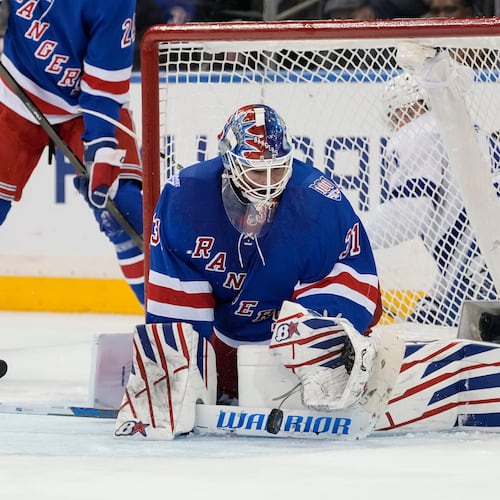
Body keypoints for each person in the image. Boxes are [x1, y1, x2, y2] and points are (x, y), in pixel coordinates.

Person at [114, 103, 383, 439]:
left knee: (322, 353)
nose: (270, 183)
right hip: (227, 342)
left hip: (290, 339)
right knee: (179, 369)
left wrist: (324, 345)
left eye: (277, 169)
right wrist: (177, 371)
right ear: (229, 160)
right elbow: (178, 318)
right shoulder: (184, 198)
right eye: (258, 171)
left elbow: (354, 276)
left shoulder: (319, 202)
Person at [0, 0, 145, 306]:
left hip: (84, 107)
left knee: (125, 209)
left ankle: (169, 331)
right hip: (14, 90)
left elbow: (104, 90)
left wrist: (101, 149)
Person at [364, 71, 497, 326]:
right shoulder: (468, 131)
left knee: (456, 355)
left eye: (396, 117)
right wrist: (434, 301)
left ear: (402, 111)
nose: (398, 125)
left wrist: (349, 237)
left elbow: (407, 215)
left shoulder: (417, 131)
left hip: (480, 259)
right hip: (482, 256)